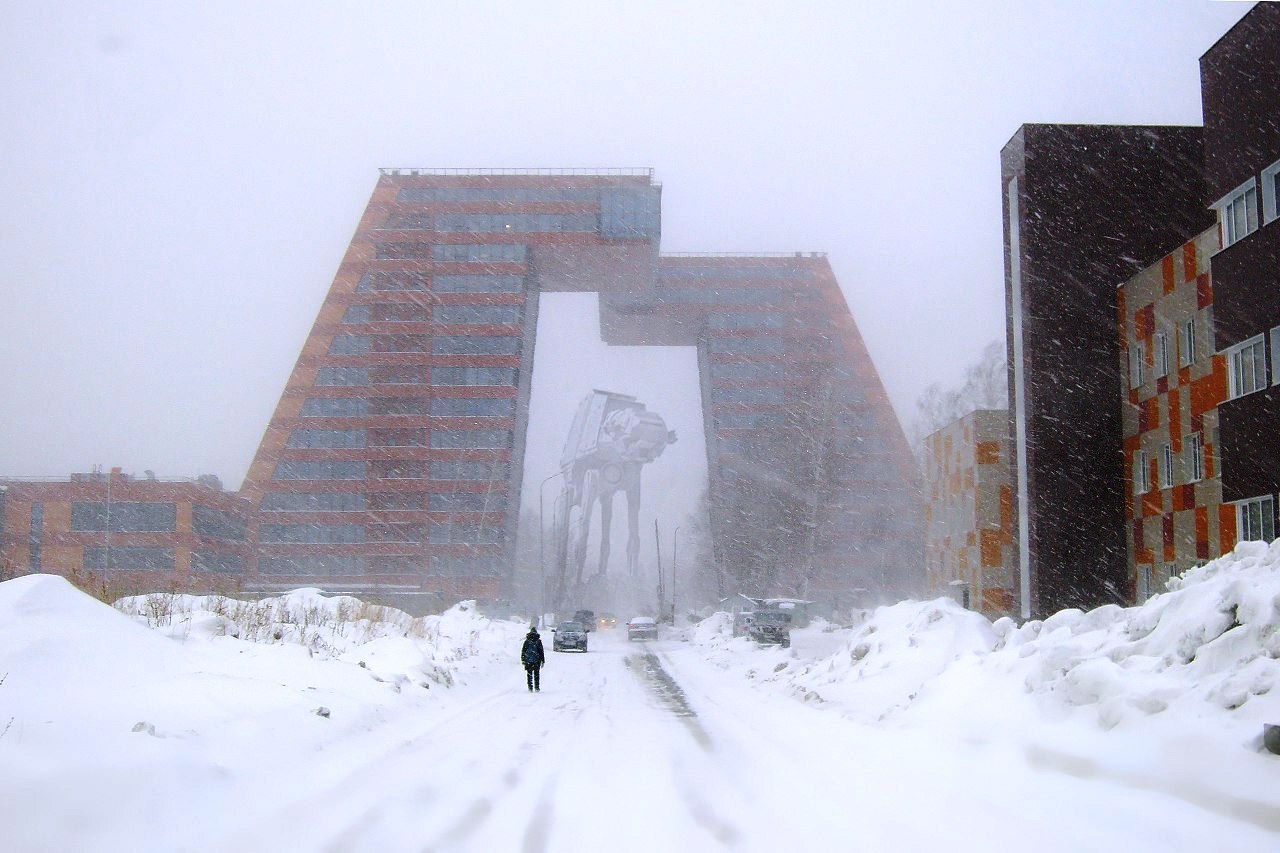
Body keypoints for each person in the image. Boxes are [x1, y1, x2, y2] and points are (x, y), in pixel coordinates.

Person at [520, 626, 545, 692]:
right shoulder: (538, 641)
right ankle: (537, 687)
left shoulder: (527, 641)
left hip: (528, 660)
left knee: (529, 674)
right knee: (536, 674)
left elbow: (523, 651)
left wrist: (523, 659)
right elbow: (541, 651)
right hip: (537, 660)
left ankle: (530, 687)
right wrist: (543, 660)